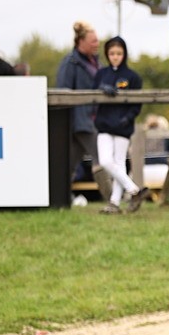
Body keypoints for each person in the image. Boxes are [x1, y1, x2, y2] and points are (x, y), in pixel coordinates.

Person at [92, 35, 152, 214]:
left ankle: (114, 203)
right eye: (112, 53)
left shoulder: (133, 77)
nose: (115, 56)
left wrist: (128, 117)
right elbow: (94, 93)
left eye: (119, 53)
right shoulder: (101, 74)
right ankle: (134, 189)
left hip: (122, 126)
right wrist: (102, 89)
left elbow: (137, 103)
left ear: (124, 54)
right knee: (105, 161)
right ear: (107, 54)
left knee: (119, 162)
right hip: (104, 124)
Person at [56, 21, 107, 201]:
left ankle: (60, 198)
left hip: (93, 118)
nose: (97, 44)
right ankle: (111, 198)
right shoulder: (71, 63)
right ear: (81, 42)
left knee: (69, 163)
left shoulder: (95, 62)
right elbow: (62, 92)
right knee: (101, 157)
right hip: (80, 120)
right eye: (93, 41)